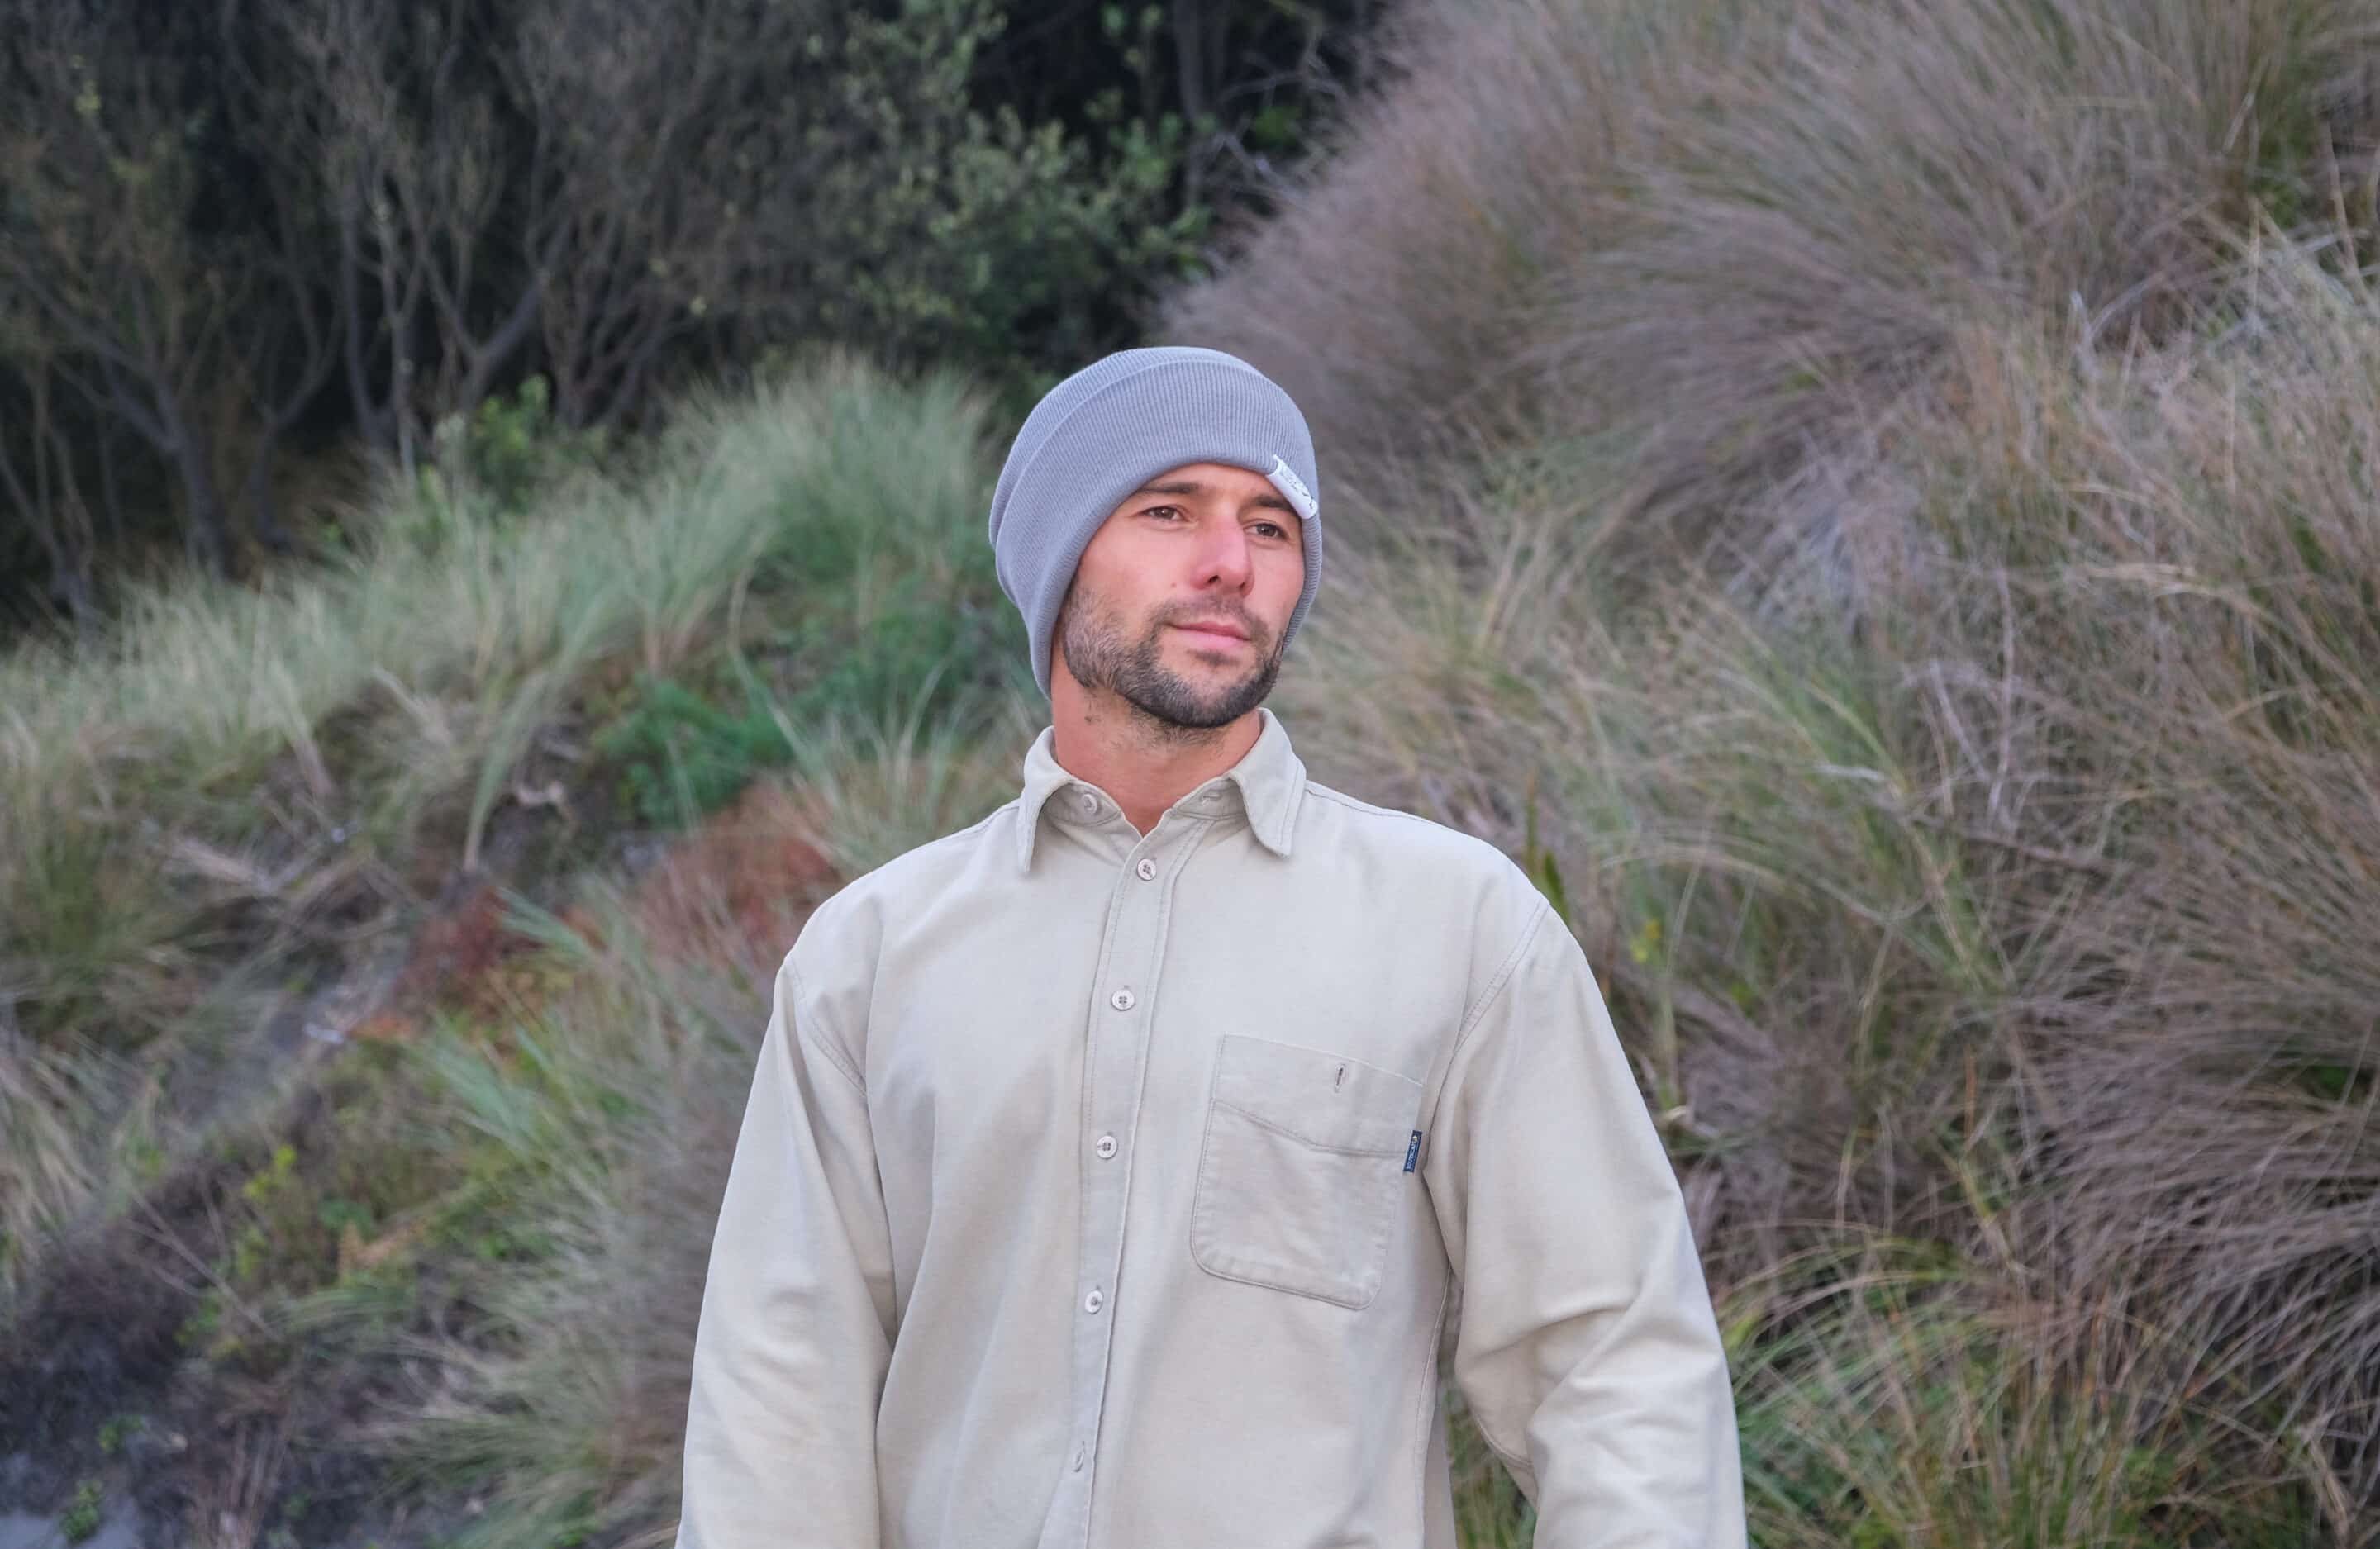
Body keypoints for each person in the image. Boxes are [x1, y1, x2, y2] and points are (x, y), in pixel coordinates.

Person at [674, 346, 1746, 1548]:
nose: (1231, 562)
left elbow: (1613, 1368)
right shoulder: (870, 959)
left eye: (1272, 527)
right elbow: (781, 1406)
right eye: (1169, 510)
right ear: (1058, 557)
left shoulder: (1460, 927)